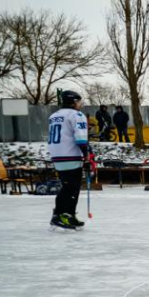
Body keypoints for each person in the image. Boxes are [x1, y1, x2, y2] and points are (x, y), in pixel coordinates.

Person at [48, 90, 91, 229]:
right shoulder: (76, 115)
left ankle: (67, 214)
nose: (80, 104)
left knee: (68, 186)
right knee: (71, 187)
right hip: (70, 154)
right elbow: (81, 138)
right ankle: (62, 215)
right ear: (73, 101)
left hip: (57, 154)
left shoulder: (54, 115)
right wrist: (87, 155)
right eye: (78, 101)